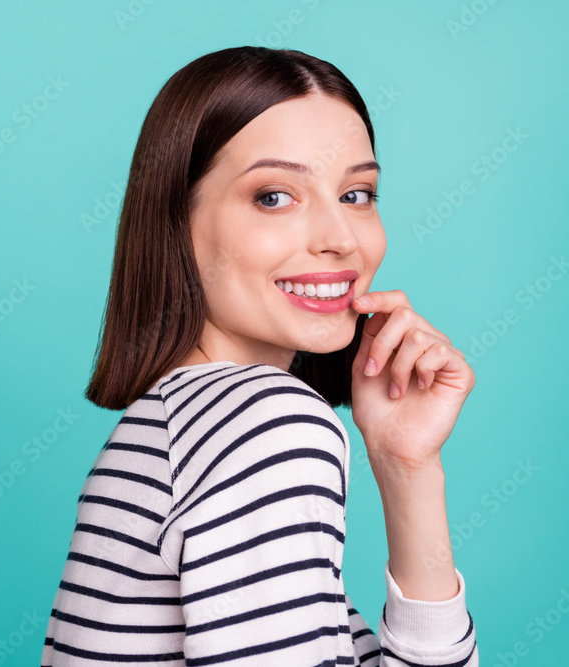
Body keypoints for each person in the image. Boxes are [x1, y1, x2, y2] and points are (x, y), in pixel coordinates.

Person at [39, 46, 479, 666]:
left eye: (356, 194)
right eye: (274, 196)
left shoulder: (178, 424)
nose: (340, 238)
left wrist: (408, 468)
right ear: (177, 220)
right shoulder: (263, 422)